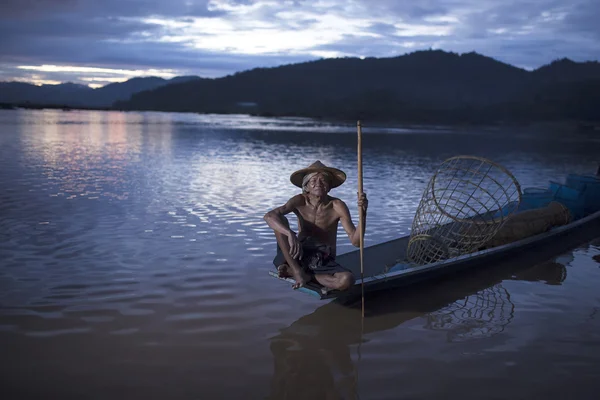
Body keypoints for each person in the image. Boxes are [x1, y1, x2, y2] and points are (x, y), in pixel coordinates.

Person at [264, 161, 368, 291]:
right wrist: (289, 234)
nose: (318, 183)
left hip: (322, 258)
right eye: (313, 180)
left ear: (329, 187)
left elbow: (356, 242)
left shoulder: (337, 206)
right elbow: (269, 216)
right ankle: (296, 271)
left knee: (347, 280)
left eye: (323, 180)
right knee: (279, 219)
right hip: (297, 253)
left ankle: (305, 275)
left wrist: (363, 215)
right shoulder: (299, 200)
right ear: (306, 186)